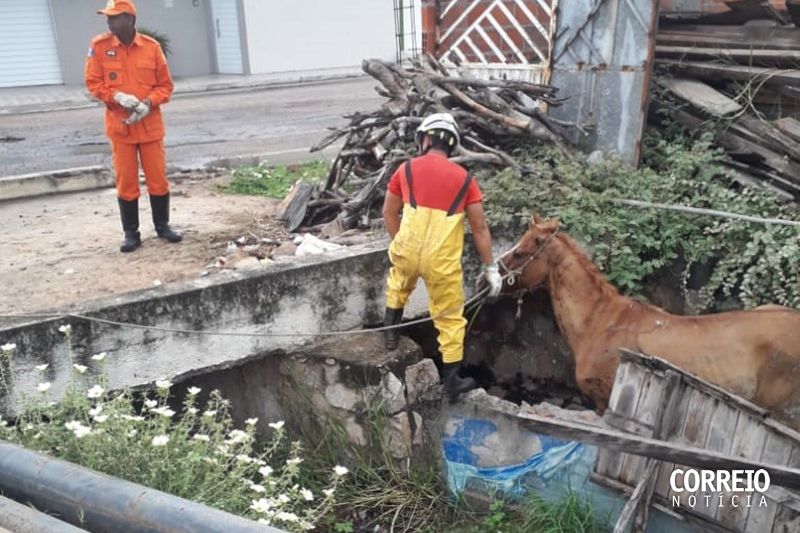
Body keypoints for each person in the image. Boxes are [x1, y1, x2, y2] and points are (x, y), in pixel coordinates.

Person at [381, 112, 502, 398]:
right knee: (449, 314)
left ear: (424, 139)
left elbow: (388, 212)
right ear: (450, 145)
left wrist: (402, 244)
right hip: (442, 259)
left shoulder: (406, 169)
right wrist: (491, 268)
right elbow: (480, 228)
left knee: (398, 283)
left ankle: (390, 333)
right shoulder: (465, 180)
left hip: (408, 248)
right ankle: (451, 380)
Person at [85, 0, 182, 253]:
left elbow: (165, 86)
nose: (109, 21)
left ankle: (162, 227)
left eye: (115, 16)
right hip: (121, 127)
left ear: (130, 19)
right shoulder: (100, 47)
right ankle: (131, 234)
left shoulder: (151, 48)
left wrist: (148, 103)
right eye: (108, 16)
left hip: (149, 126)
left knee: (158, 180)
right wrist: (116, 97)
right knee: (126, 182)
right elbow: (93, 83)